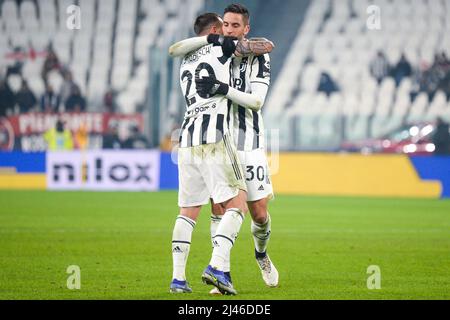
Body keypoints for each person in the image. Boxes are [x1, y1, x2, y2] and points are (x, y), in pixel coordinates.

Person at [169, 4, 278, 294]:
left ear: (245, 28)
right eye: (225, 25)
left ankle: (261, 253)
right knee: (222, 207)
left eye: (234, 26)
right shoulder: (219, 48)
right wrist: (213, 40)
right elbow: (182, 47)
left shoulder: (255, 55)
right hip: (219, 138)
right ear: (219, 28)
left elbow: (257, 100)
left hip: (247, 141)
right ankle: (221, 270)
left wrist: (222, 88)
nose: (229, 30)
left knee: (259, 213)